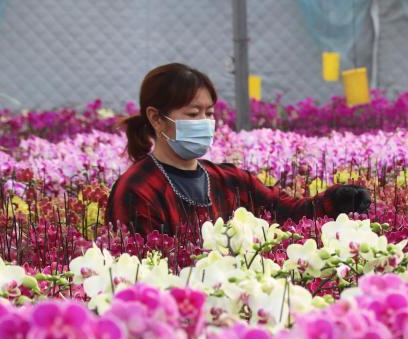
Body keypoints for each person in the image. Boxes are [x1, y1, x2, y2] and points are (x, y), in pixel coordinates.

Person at [105, 63, 371, 237]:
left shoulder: (230, 181)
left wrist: (335, 201)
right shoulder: (138, 189)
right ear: (156, 118)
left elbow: (286, 211)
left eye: (209, 113)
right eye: (193, 113)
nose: (205, 123)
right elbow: (136, 266)